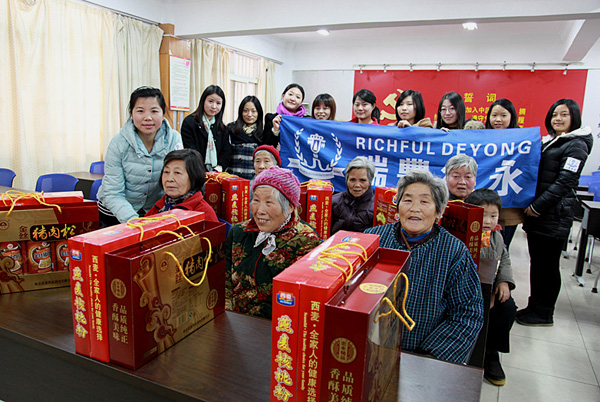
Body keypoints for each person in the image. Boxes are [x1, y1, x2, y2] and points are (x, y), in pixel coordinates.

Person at [365, 170, 483, 364]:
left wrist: (431, 357)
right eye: (407, 200)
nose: (415, 208)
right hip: (370, 349)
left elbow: (467, 313)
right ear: (397, 206)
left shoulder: (454, 251)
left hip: (422, 356)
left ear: (439, 211)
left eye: (424, 201)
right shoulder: (373, 238)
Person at [518, 99, 593, 326]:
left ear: (574, 117)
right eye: (554, 114)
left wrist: (537, 206)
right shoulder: (552, 141)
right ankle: (534, 306)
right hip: (541, 217)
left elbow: (564, 182)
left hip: (553, 216)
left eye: (564, 114)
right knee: (538, 264)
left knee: (548, 266)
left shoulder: (576, 145)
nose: (558, 119)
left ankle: (544, 313)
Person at [225, 166, 321, 318]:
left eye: (269, 203)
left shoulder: (306, 242)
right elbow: (225, 280)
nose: (260, 210)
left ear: (290, 207)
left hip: (275, 324)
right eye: (256, 200)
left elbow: (290, 299)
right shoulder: (239, 232)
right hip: (232, 319)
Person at [97, 86, 183, 226]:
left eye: (154, 111)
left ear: (163, 113)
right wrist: (135, 222)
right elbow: (113, 193)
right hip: (115, 213)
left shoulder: (174, 139)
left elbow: (179, 179)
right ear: (131, 113)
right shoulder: (118, 143)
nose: (147, 117)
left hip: (154, 212)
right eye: (140, 111)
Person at [465, 189, 517, 386]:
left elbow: (504, 258)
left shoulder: (497, 235)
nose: (487, 221)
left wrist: (504, 282)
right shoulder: (463, 233)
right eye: (482, 215)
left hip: (491, 287)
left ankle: (491, 352)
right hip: (469, 288)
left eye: (493, 216)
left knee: (507, 308)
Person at [484, 98, 524, 249]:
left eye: (503, 115)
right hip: (484, 207)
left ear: (512, 116)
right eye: (494, 115)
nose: (498, 120)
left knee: (501, 250)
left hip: (509, 209)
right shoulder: (481, 138)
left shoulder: (522, 141)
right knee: (482, 251)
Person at [145, 149, 218, 222]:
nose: (169, 179)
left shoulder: (204, 213)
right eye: (166, 172)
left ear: (193, 176)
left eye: (177, 173)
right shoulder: (159, 207)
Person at [181, 85, 231, 172]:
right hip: (194, 171)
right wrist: (202, 171)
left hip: (217, 174)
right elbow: (190, 150)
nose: (214, 106)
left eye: (218, 103)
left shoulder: (222, 128)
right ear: (203, 101)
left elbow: (226, 152)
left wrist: (217, 169)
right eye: (210, 101)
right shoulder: (189, 122)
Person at [331, 156, 375, 234]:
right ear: (346, 180)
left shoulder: (377, 207)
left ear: (369, 182)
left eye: (362, 180)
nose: (357, 185)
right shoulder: (333, 201)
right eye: (352, 180)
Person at [227, 96, 265, 179]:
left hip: (254, 180)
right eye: (245, 111)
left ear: (259, 113)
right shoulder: (231, 129)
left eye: (253, 111)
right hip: (233, 178)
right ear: (241, 112)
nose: (249, 114)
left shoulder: (263, 133)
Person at [263, 83, 307, 147]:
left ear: (301, 102)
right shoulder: (271, 118)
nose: (293, 99)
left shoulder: (305, 121)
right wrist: (275, 130)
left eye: (298, 97)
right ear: (283, 96)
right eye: (290, 94)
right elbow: (266, 146)